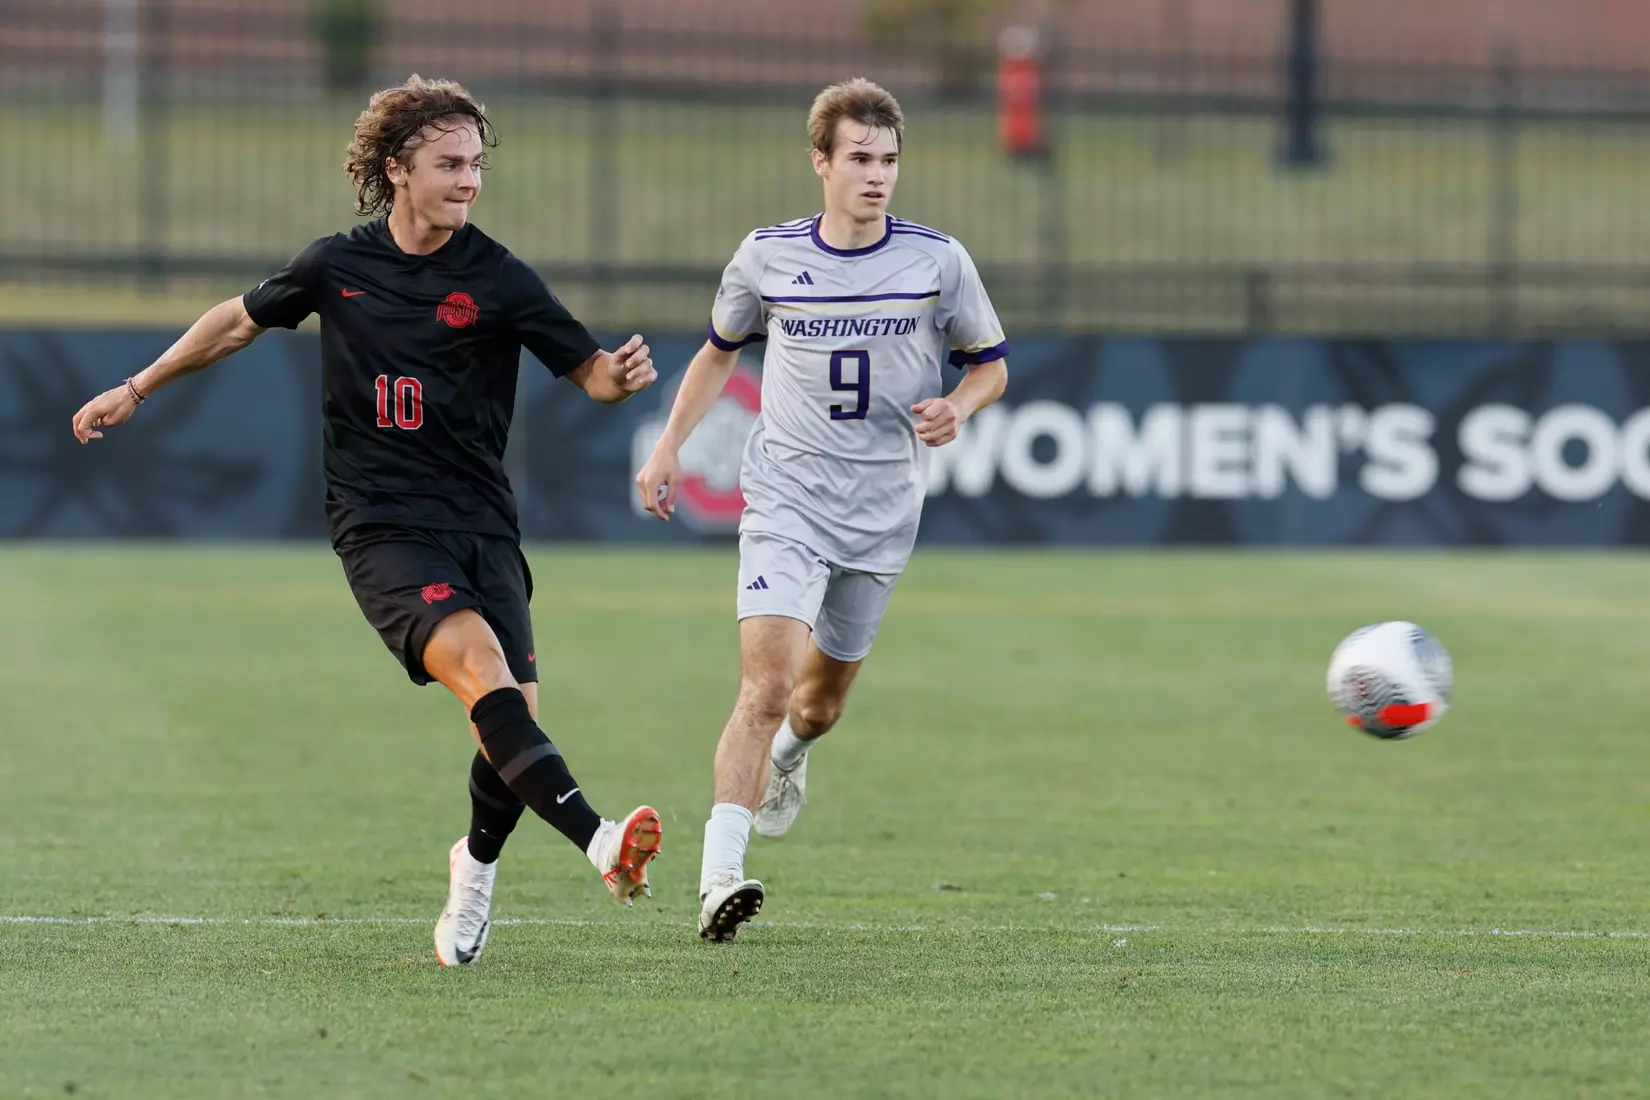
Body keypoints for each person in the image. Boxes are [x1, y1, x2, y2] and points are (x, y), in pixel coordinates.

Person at [70, 75, 663, 967]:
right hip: (380, 522)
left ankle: (473, 871)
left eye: (476, 165)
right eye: (448, 164)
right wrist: (137, 386)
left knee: (509, 722)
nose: (468, 181)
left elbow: (589, 375)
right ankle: (600, 841)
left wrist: (621, 375)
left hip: (482, 524)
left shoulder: (499, 278)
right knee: (480, 667)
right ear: (397, 169)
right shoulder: (335, 266)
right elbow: (235, 324)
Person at [634, 78, 1010, 941]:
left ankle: (793, 760)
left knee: (816, 707)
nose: (876, 177)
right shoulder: (766, 257)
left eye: (889, 161)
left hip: (883, 511)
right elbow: (717, 354)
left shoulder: (937, 261)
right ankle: (719, 877)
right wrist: (667, 447)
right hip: (787, 501)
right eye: (859, 160)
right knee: (764, 686)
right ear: (821, 162)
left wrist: (963, 405)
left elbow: (990, 365)